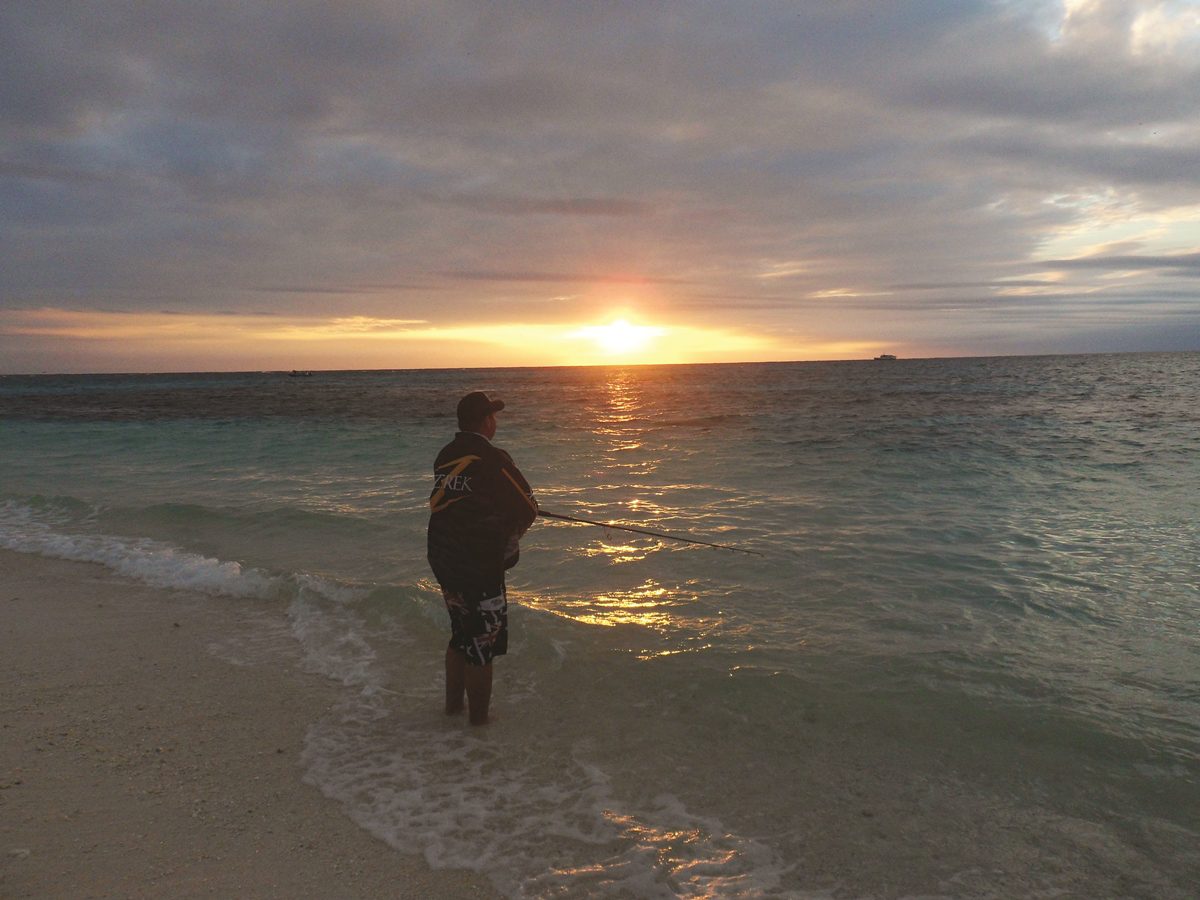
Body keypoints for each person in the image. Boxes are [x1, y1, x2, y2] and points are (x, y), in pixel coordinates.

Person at [427, 391, 538, 725]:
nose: (495, 420)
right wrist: (511, 533)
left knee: (460, 635)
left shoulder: (445, 455)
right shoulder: (492, 458)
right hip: (479, 566)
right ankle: (478, 728)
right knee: (482, 645)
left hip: (444, 559)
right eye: (493, 415)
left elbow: (458, 501)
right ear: (486, 421)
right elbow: (528, 506)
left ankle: (451, 711)